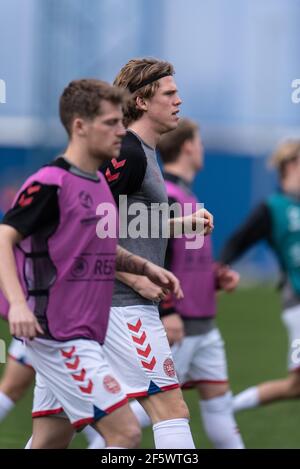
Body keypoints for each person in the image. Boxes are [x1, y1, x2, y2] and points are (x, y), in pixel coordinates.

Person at [0, 78, 183, 449]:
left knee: (50, 440)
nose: (121, 131)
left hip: (83, 332)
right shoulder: (50, 183)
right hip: (60, 336)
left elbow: (97, 246)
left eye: (120, 121)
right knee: (127, 433)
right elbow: (4, 235)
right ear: (80, 126)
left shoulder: (97, 184)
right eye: (110, 123)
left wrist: (145, 267)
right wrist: (17, 303)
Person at [88, 118, 244, 449]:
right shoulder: (142, 170)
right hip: (159, 316)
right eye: (169, 93)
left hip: (198, 322)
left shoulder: (169, 182)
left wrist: (214, 275)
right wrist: (167, 308)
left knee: (174, 409)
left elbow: (159, 245)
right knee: (157, 411)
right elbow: (94, 231)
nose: (178, 101)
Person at [98, 58, 213, 450]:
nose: (179, 100)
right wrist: (133, 276)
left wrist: (183, 224)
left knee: (54, 433)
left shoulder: (145, 153)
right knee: (171, 408)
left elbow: (127, 224)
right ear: (143, 101)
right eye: (170, 93)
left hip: (105, 306)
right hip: (120, 305)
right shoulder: (127, 152)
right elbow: (88, 227)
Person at [219, 140, 300, 413]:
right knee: (296, 386)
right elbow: (237, 242)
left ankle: (224, 411)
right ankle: (225, 411)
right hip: (297, 303)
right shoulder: (273, 208)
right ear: (291, 164)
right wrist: (218, 270)